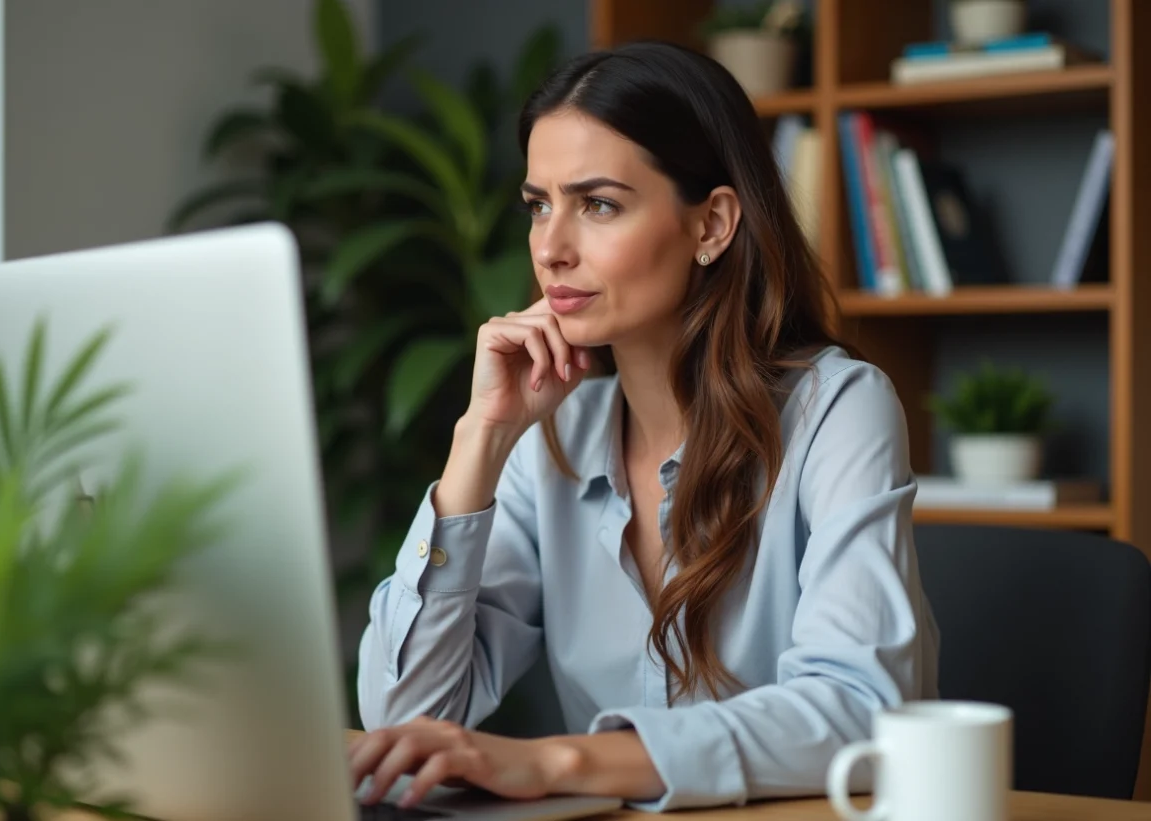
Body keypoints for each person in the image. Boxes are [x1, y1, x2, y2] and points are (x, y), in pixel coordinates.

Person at [349, 40, 939, 812]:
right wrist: (480, 440)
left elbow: (863, 706)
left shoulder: (838, 407)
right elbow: (403, 720)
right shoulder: (548, 439)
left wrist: (561, 760)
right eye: (538, 204)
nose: (551, 248)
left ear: (712, 225)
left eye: (598, 204)